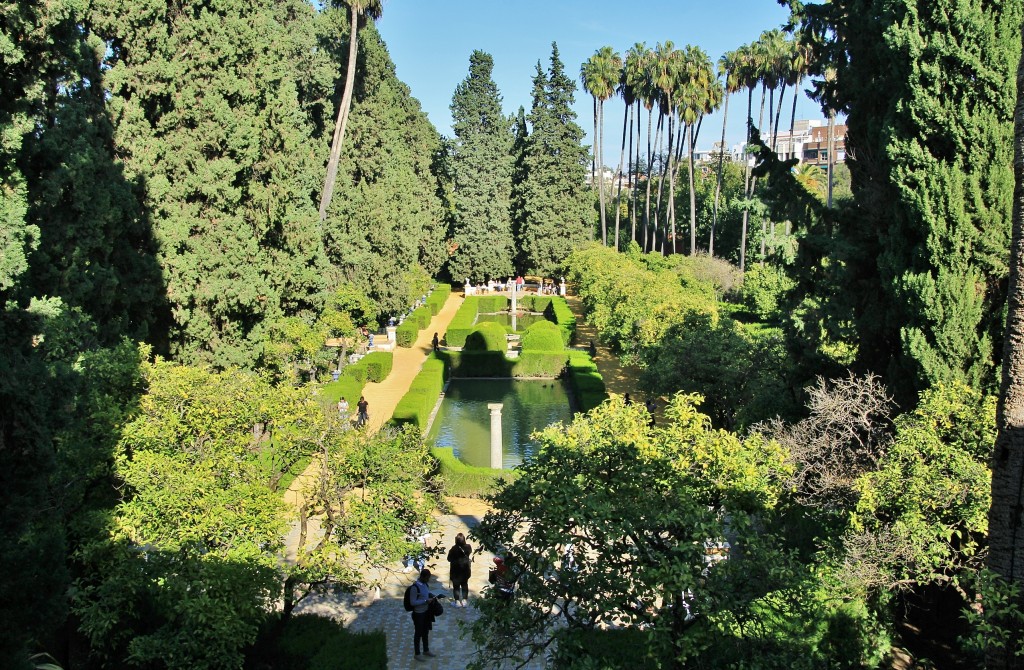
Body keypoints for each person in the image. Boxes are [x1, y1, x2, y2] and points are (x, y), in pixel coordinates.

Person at [410, 569, 438, 661]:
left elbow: (426, 594)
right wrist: (425, 601)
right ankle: (417, 653)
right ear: (422, 577)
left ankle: (426, 650)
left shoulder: (425, 584)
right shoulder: (415, 587)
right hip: (418, 614)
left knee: (425, 632)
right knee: (418, 633)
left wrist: (432, 596)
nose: (428, 580)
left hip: (426, 612)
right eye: (427, 578)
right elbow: (413, 602)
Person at [447, 533, 472, 608]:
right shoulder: (468, 547)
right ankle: (464, 601)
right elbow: (469, 553)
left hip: (455, 571)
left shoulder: (453, 549)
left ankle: (457, 601)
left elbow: (449, 559)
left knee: (456, 586)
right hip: (465, 570)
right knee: (465, 585)